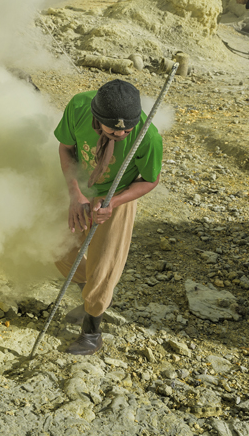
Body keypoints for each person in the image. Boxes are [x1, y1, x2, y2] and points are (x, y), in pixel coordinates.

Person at [53, 79, 163, 355]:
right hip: (80, 187)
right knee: (54, 247)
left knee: (105, 262)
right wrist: (75, 194)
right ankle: (88, 292)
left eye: (127, 128)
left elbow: (150, 180)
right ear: (97, 118)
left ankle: (92, 330)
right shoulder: (79, 106)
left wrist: (114, 201)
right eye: (114, 129)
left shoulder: (147, 136)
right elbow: (66, 148)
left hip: (117, 196)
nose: (123, 133)